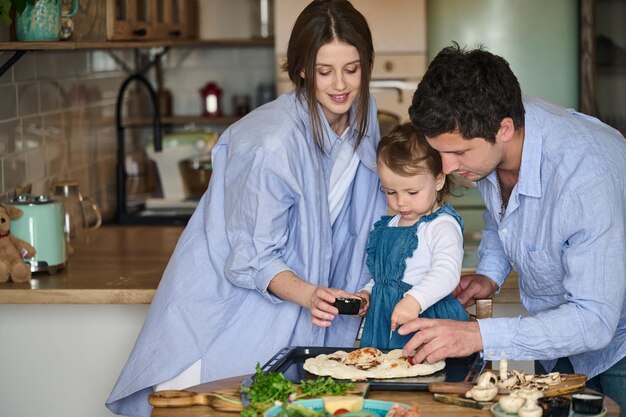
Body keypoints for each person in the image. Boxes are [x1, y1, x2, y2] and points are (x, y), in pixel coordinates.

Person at [106, 1, 386, 416]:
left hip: (308, 311)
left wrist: (366, 284)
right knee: (224, 403)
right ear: (303, 69)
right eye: (325, 71)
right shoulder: (269, 143)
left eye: (352, 69)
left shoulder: (363, 112)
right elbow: (252, 258)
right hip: (231, 314)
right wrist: (310, 294)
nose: (341, 84)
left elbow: (363, 214)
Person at [399, 43, 626, 411]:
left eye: (458, 152)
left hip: (617, 343)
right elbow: (501, 216)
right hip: (555, 335)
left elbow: (595, 321)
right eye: (440, 151)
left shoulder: (585, 178)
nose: (448, 166)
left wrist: (478, 335)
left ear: (503, 129)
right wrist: (489, 273)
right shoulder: (492, 140)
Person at [354, 123, 469, 350]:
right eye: (390, 192)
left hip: (426, 320)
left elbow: (447, 273)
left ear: (438, 180)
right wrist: (366, 293)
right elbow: (384, 276)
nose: (401, 201)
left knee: (425, 374)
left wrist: (414, 301)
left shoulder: (441, 225)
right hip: (385, 322)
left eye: (412, 192)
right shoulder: (390, 225)